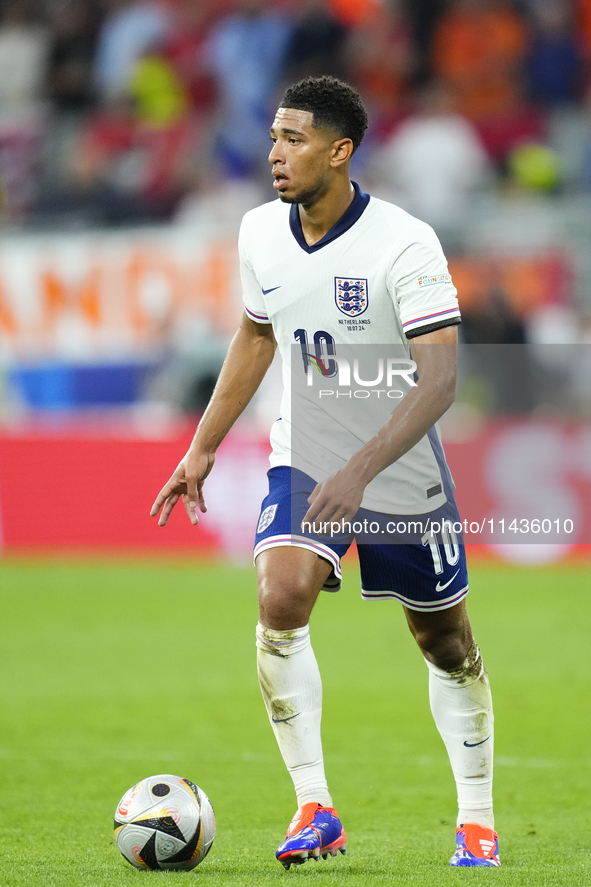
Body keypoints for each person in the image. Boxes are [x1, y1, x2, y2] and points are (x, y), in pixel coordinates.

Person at [150, 75, 499, 870]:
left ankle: (474, 817)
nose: (275, 154)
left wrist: (362, 469)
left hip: (400, 463)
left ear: (340, 152)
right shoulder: (258, 234)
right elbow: (254, 335)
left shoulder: (404, 243)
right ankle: (314, 804)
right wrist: (201, 445)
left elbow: (438, 382)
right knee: (280, 596)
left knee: (442, 638)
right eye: (273, 137)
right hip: (304, 450)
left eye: (295, 139)